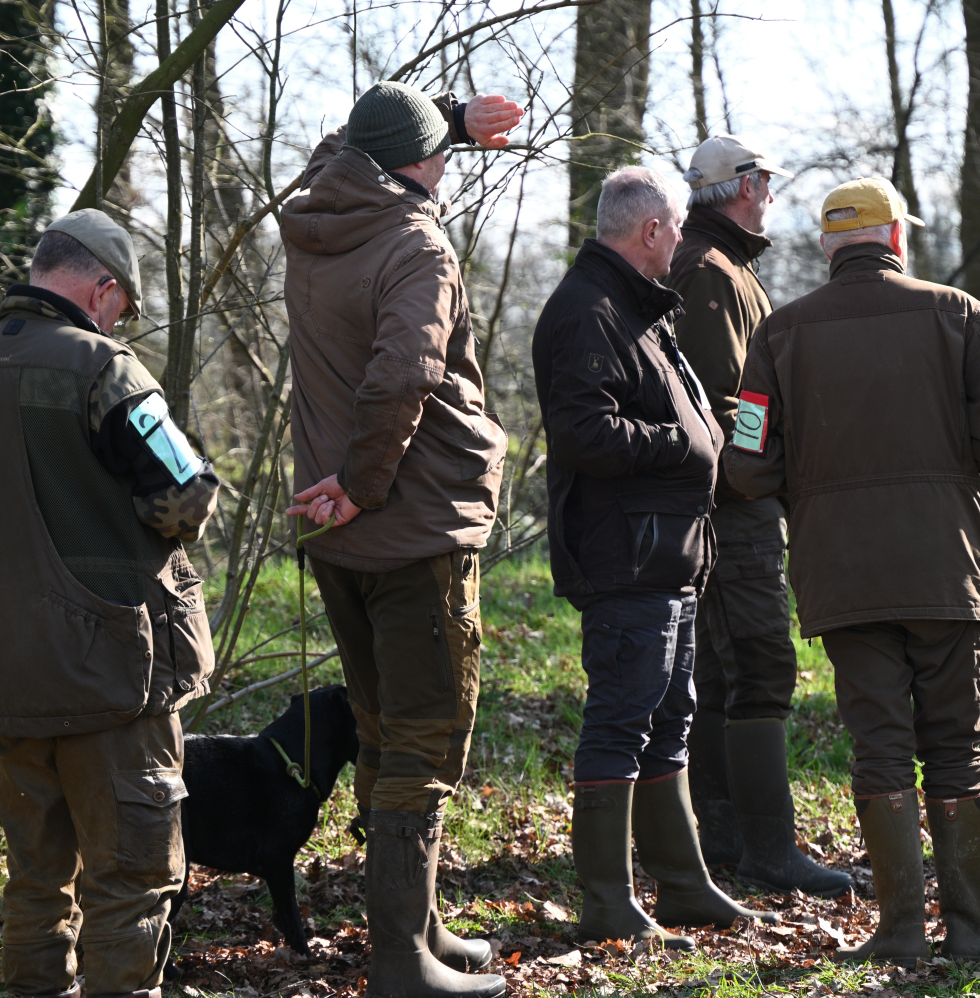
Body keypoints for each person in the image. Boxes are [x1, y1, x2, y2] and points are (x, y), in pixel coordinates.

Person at [723, 178, 980, 963]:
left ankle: (898, 932)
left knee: (881, 750)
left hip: (843, 576)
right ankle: (969, 930)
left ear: (827, 246)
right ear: (896, 237)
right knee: (956, 749)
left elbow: (747, 466)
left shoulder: (778, 333)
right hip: (946, 569)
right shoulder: (958, 313)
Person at [0, 209, 219, 998]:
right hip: (110, 671)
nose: (119, 322)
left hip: (1, 670)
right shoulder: (106, 370)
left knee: (37, 874)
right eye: (122, 308)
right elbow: (185, 499)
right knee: (131, 875)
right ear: (103, 288)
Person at [281, 82, 521, 998]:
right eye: (442, 152)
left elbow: (343, 142)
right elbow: (404, 375)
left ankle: (414, 927)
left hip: (337, 532)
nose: (449, 166)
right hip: (408, 525)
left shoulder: (314, 214)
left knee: (383, 727)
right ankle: (400, 964)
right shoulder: (415, 242)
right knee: (424, 738)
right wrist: (363, 484)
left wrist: (445, 120)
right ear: (416, 162)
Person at [531, 166, 777, 951]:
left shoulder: (639, 307)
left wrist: (702, 435)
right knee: (620, 723)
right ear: (651, 231)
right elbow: (583, 434)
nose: (681, 239)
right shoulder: (587, 311)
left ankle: (683, 884)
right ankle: (607, 902)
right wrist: (685, 445)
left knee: (669, 721)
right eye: (675, 227)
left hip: (669, 558)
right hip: (626, 559)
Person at [663, 136, 848, 897]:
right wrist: (762, 467)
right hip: (733, 506)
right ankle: (766, 851)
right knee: (760, 665)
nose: (772, 193)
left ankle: (730, 840)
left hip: (730, 501)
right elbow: (725, 403)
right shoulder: (709, 270)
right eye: (766, 180)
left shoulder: (722, 264)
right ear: (743, 187)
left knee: (722, 671)